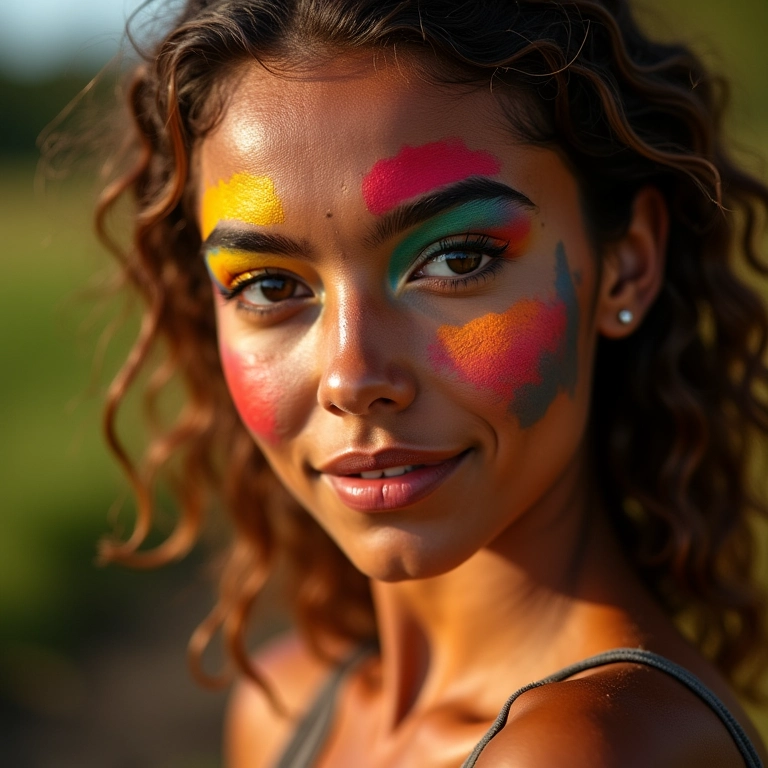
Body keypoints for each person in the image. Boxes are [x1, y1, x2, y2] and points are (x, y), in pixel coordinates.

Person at [94, 0, 768, 765]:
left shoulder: (588, 750)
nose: (353, 377)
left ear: (629, 261)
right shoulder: (286, 707)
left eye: (456, 260)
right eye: (270, 287)